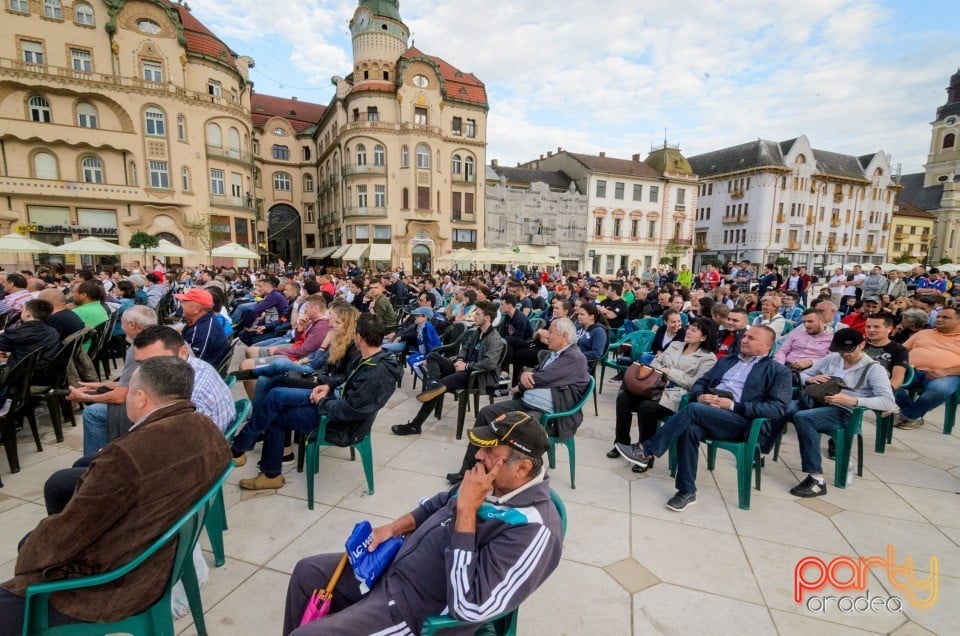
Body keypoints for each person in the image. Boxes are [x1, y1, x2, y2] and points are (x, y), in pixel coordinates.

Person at [0, 357, 231, 634]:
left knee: (25, 567)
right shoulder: (207, 428)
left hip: (122, 583)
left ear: (142, 398)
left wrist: (29, 560)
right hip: (158, 555)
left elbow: (68, 532)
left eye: (130, 391)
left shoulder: (126, 455)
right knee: (60, 492)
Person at [282, 411, 562, 635]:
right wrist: (392, 529)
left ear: (522, 468)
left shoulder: (535, 528)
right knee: (307, 573)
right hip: (392, 567)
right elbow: (439, 502)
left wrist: (466, 511)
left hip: (413, 612)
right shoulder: (492, 483)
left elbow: (472, 606)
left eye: (490, 453)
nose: (478, 456)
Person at [615, 326, 792, 511]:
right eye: (745, 336)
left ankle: (646, 451)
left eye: (752, 338)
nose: (744, 340)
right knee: (690, 428)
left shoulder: (778, 371)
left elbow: (777, 408)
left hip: (740, 420)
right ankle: (686, 491)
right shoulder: (728, 361)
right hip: (708, 412)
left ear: (767, 345)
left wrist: (732, 405)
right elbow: (701, 382)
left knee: (692, 411)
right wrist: (700, 396)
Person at [233, 314, 401, 490]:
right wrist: (327, 386)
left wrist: (322, 401)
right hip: (333, 404)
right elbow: (344, 377)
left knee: (276, 410)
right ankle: (252, 457)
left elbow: (350, 410)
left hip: (340, 424)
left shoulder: (375, 372)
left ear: (359, 337)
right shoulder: (371, 358)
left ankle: (253, 460)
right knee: (276, 396)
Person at [446, 318, 590, 483]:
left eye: (550, 331)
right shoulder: (555, 354)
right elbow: (536, 374)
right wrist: (524, 378)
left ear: (564, 336)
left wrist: (522, 382)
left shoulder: (574, 357)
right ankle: (469, 470)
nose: (547, 335)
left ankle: (498, 476)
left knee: (512, 429)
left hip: (549, 415)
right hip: (528, 404)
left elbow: (541, 378)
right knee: (487, 413)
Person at [789, 329, 896, 497]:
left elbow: (888, 401)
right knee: (781, 408)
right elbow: (804, 375)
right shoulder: (833, 358)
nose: (844, 355)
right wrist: (809, 379)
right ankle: (759, 453)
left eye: (849, 351)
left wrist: (853, 401)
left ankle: (816, 479)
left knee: (803, 418)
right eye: (840, 350)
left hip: (845, 411)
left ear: (862, 345)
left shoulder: (874, 369)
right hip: (817, 401)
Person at [610, 317, 717, 473]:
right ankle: (621, 443)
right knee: (624, 397)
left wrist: (670, 373)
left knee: (646, 407)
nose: (689, 331)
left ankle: (645, 455)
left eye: (694, 330)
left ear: (704, 336)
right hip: (654, 387)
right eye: (689, 327)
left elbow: (697, 383)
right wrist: (661, 375)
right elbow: (655, 362)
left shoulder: (708, 358)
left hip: (676, 396)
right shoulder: (675, 345)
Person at [392, 301, 505, 436]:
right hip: (464, 369)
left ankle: (415, 425)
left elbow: (490, 363)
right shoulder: (477, 332)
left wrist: (466, 366)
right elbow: (465, 348)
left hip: (477, 376)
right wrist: (460, 360)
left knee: (439, 387)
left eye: (478, 314)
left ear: (487, 318)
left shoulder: (495, 339)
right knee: (433, 356)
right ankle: (433, 382)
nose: (474, 316)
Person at [893, 306, 960, 429]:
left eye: (945, 317)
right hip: (911, 370)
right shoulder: (923, 333)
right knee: (887, 382)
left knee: (940, 390)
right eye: (938, 316)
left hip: (945, 375)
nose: (939, 319)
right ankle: (912, 415)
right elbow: (901, 351)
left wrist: (945, 371)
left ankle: (906, 415)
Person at [176, 287, 229, 366]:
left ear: (197, 309)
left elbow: (192, 363)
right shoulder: (206, 319)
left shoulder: (201, 331)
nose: (181, 304)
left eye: (185, 301)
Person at [863, 313, 909, 391]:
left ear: (889, 329)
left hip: (879, 388)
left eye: (876, 327)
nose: (871, 330)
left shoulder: (899, 350)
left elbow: (897, 378)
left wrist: (885, 392)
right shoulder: (859, 344)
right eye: (868, 326)